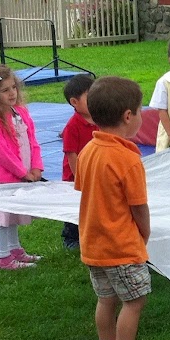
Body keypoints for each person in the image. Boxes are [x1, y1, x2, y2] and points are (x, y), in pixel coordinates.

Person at [75, 76, 161, 340]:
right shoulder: (127, 158)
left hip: (93, 244)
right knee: (134, 301)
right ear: (128, 116)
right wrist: (145, 232)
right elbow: (138, 205)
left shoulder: (88, 151)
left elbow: (85, 190)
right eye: (140, 110)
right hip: (120, 246)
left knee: (106, 299)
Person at [0, 65, 44, 270]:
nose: (12, 93)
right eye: (5, 90)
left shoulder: (20, 112)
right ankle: (3, 258)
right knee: (1, 219)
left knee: (12, 216)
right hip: (3, 179)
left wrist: (37, 167)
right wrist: (23, 173)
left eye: (13, 88)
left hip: (22, 176)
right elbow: (1, 153)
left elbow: (33, 141)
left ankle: (15, 250)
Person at [60, 74, 98, 250]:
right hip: (75, 177)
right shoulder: (73, 126)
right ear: (75, 102)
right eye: (90, 96)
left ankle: (92, 233)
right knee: (76, 207)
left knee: (94, 205)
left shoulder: (101, 119)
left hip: (95, 171)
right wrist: (79, 178)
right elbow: (71, 154)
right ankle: (70, 236)